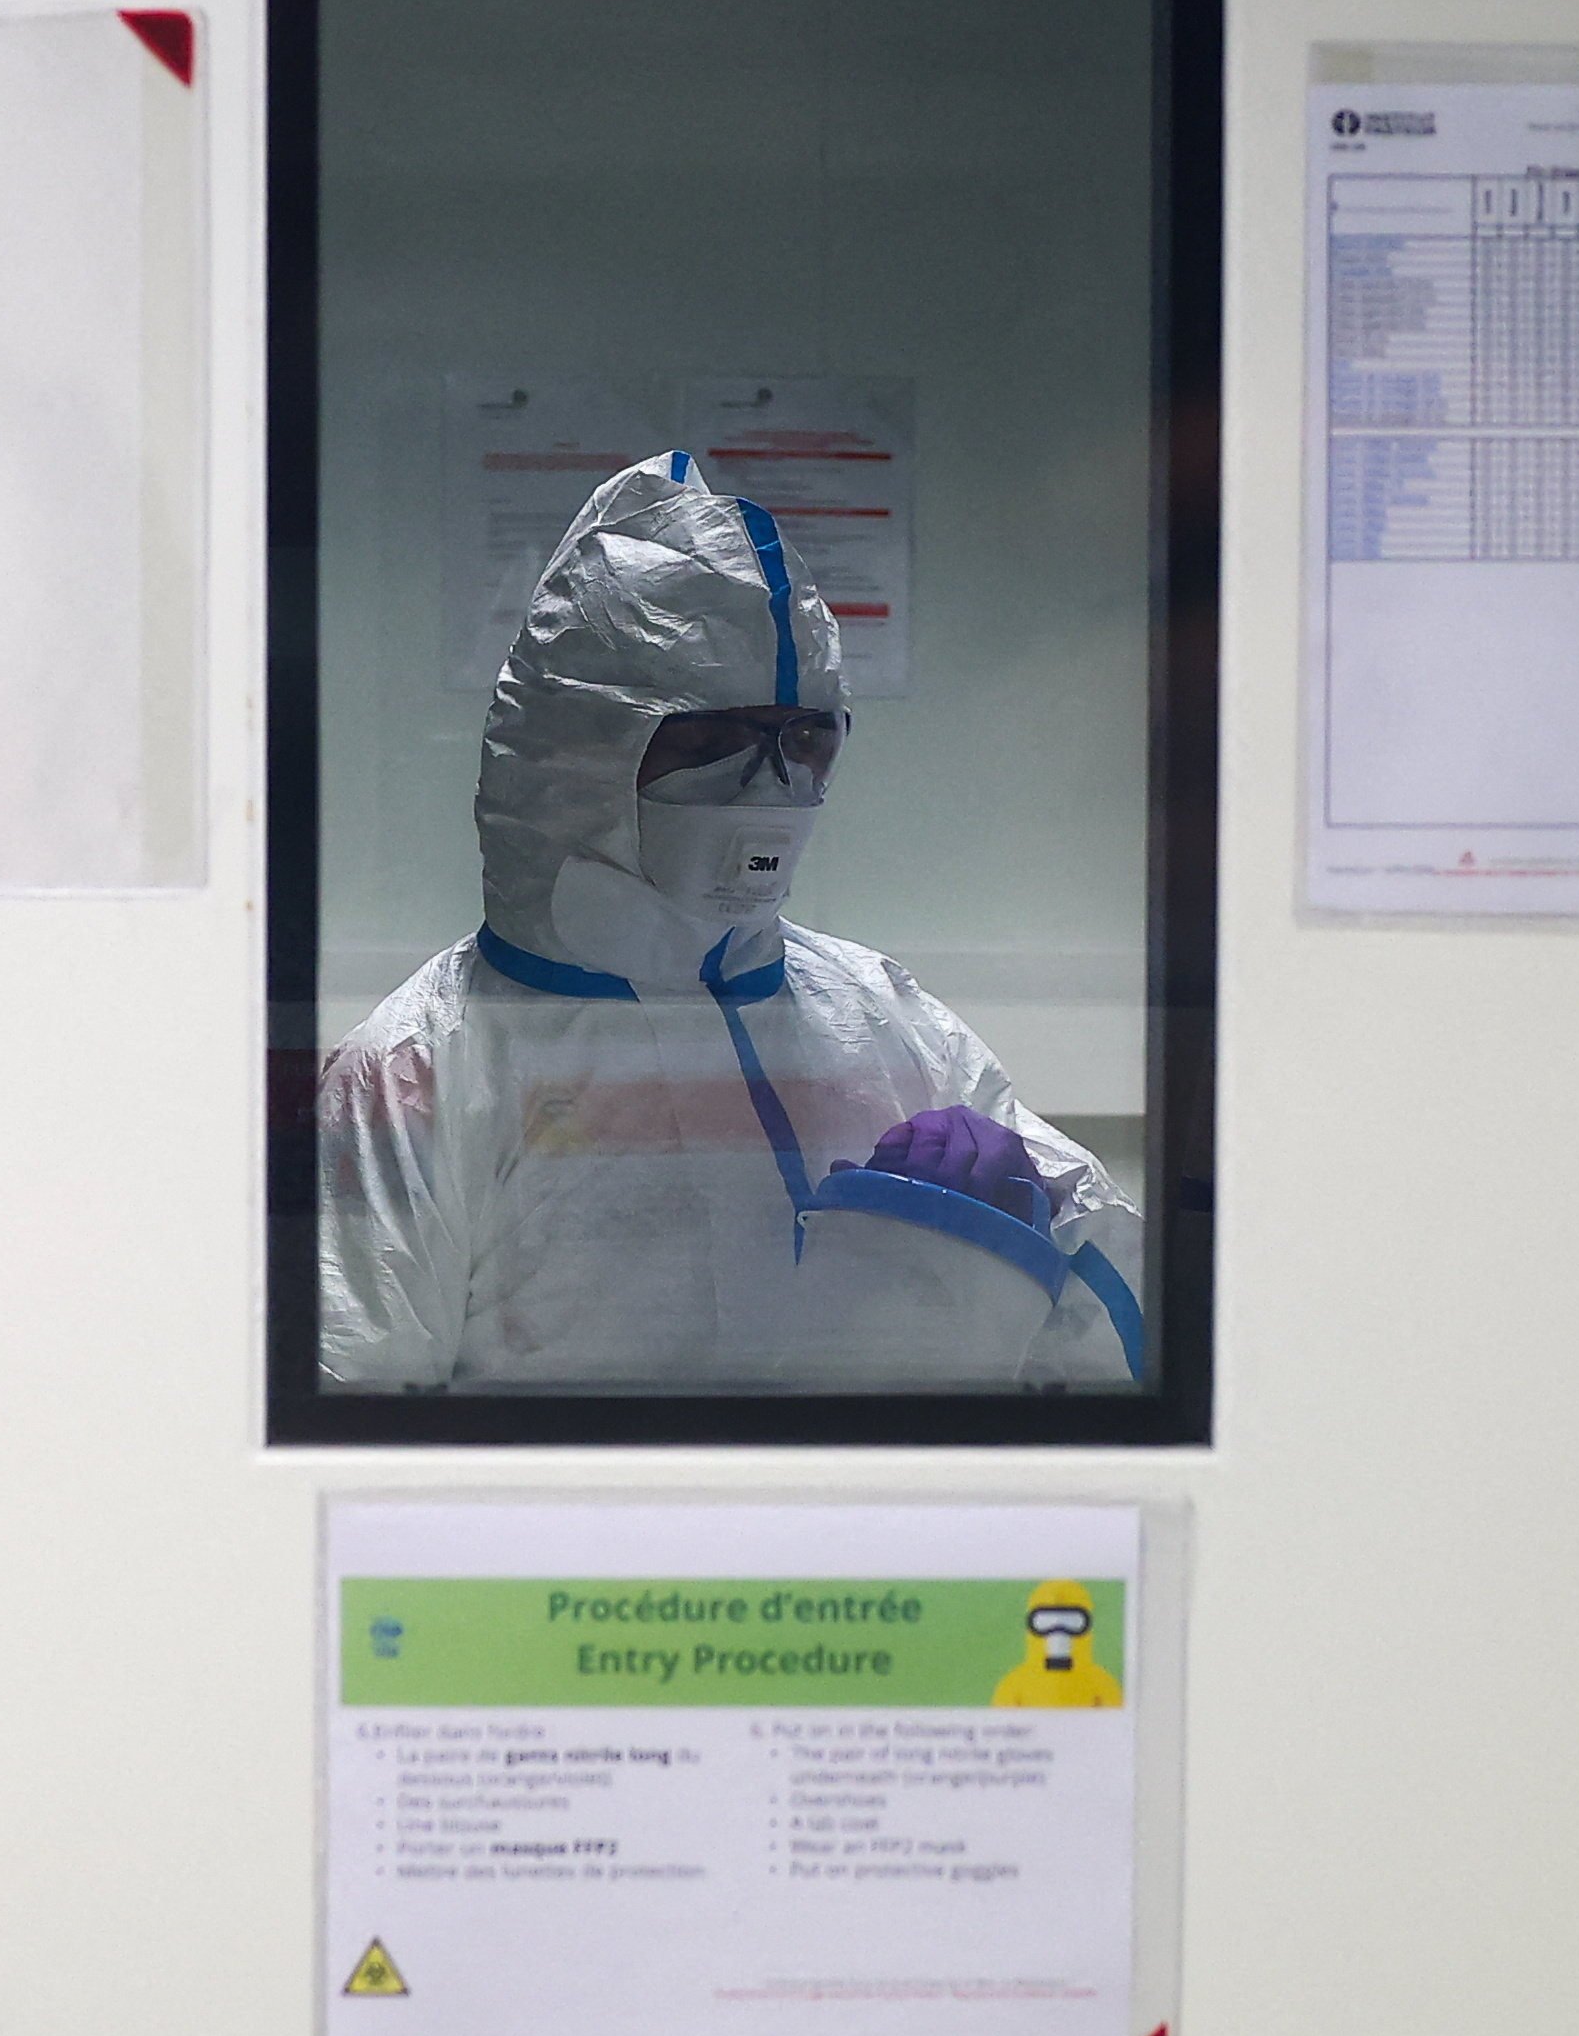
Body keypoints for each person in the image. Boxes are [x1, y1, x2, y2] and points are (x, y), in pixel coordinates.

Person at [316, 453, 1144, 1392]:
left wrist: (965, 1284)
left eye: (802, 739)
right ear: (575, 753)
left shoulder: (879, 1014)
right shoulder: (426, 1065)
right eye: (712, 743)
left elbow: (1104, 1305)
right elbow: (354, 1409)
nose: (771, 786)